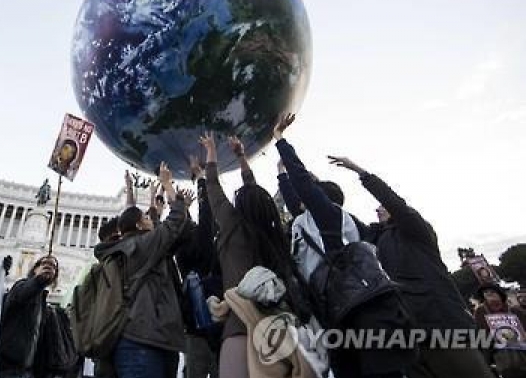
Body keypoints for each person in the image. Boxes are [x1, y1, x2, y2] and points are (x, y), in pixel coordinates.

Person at [273, 114, 416, 378]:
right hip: (336, 312)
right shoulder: (310, 221)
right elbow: (296, 197)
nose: (300, 200)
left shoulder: (328, 215)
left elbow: (302, 184)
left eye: (312, 195)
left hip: (360, 309)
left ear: (321, 198)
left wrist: (280, 139)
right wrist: (281, 174)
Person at [328, 155, 494, 378]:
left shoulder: (418, 232)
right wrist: (316, 190)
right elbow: (335, 216)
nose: (378, 210)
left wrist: (361, 172)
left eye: (382, 207)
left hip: (443, 327)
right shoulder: (376, 239)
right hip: (408, 334)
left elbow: (395, 202)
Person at [199, 132, 305, 377]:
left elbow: (212, 187)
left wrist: (212, 151)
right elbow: (254, 195)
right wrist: (241, 157)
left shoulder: (233, 228)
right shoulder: (274, 237)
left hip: (240, 327)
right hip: (280, 331)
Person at [94, 162, 188, 378]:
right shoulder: (142, 245)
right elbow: (176, 219)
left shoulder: (121, 249)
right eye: (146, 218)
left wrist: (131, 190)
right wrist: (167, 183)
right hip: (145, 340)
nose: (150, 220)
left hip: (133, 337)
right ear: (138, 226)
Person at [174, 155, 221, 378]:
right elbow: (207, 213)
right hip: (217, 324)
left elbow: (185, 227)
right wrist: (200, 177)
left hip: (193, 328)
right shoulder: (205, 248)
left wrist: (182, 209)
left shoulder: (180, 254)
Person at [0, 255, 59, 378]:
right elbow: (22, 294)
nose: (48, 266)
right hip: (6, 369)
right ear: (34, 269)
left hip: (27, 370)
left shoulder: (43, 304)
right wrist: (39, 280)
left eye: (53, 266)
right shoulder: (21, 286)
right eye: (44, 263)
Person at [474, 284, 526, 378]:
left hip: (522, 350)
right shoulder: (480, 312)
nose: (489, 294)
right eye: (486, 293)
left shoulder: (514, 310)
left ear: (499, 294)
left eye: (492, 292)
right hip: (501, 355)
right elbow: (481, 334)